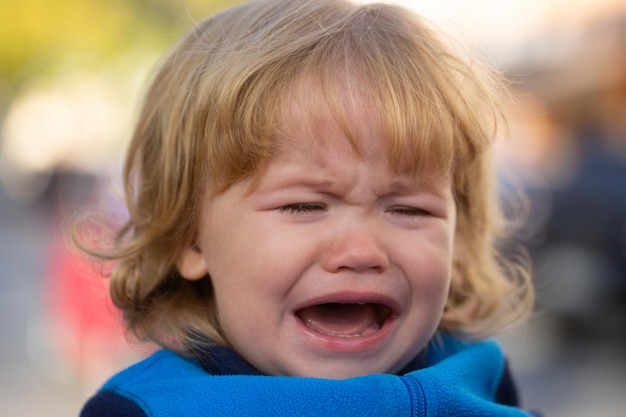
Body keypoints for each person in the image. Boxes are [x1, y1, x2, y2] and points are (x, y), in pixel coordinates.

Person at [79, 0, 537, 415]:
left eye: (409, 210)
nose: (361, 251)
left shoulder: (482, 382)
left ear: (459, 236)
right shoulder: (152, 409)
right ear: (189, 236)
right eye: (303, 206)